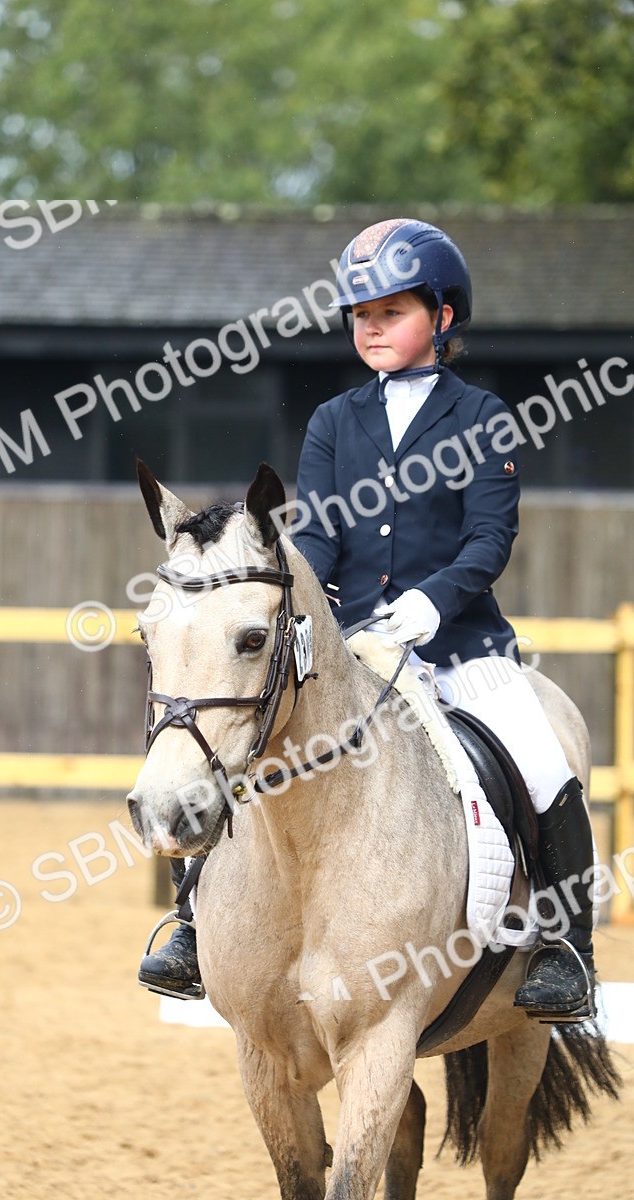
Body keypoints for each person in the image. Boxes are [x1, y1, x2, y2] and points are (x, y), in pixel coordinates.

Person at [138, 217, 596, 1022]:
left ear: (443, 318)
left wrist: (430, 603)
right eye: (361, 315)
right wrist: (318, 604)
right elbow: (315, 534)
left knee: (542, 760)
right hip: (354, 646)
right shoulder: (333, 422)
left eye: (392, 312)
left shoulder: (482, 416)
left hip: (462, 645)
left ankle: (564, 948)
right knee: (246, 735)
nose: (373, 328)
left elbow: (491, 537)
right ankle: (189, 921)